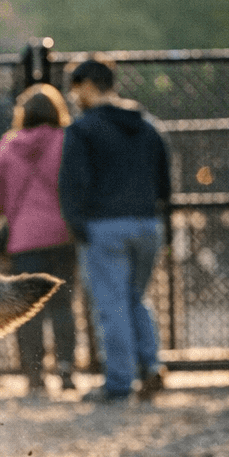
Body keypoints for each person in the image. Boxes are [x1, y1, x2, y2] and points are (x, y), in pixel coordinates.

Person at [58, 55, 171, 404]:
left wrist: (78, 225)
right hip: (148, 224)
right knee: (136, 298)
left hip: (104, 227)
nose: (74, 98)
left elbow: (72, 183)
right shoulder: (148, 125)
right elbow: (164, 183)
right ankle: (150, 365)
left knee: (112, 305)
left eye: (76, 90)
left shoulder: (83, 129)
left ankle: (120, 382)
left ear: (89, 86)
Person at [0, 83, 78, 397]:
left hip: (24, 240)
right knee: (63, 304)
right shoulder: (67, 141)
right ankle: (66, 369)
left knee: (29, 308)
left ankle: (35, 374)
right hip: (63, 235)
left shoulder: (9, 145)